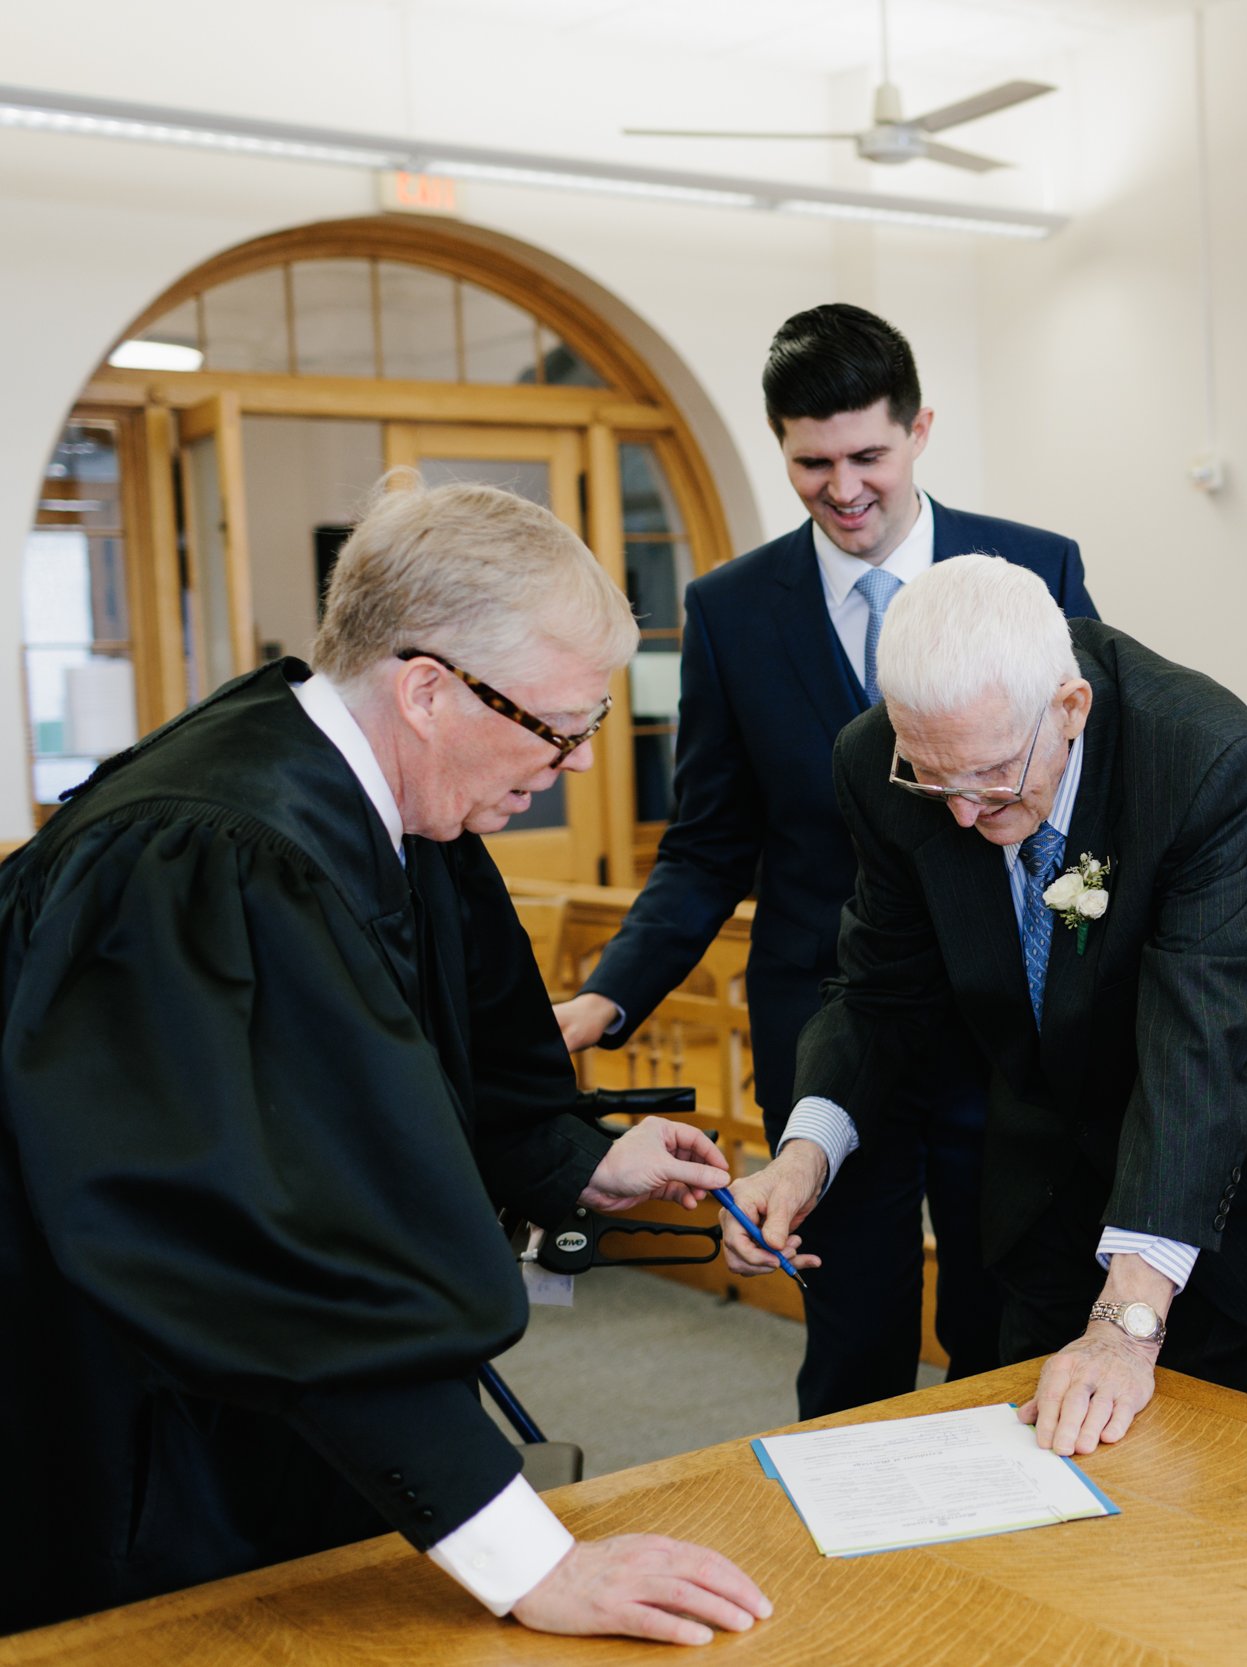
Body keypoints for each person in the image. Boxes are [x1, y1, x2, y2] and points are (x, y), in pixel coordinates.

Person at [0, 481, 770, 1644]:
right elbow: (276, 1247)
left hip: (310, 1411)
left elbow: (478, 1066)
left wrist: (581, 1162)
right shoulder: (206, 858)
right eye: (561, 726)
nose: (570, 764)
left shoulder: (405, 806)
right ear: (427, 689)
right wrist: (527, 1554)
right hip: (156, 1431)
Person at [552, 303, 1098, 1418]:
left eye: (867, 456)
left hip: (1002, 1017)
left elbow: (1083, 792)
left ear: (919, 431)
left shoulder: (1034, 567)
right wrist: (606, 999)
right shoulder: (731, 609)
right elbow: (706, 846)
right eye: (812, 462)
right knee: (852, 1323)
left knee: (1001, 1314)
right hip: (827, 1021)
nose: (843, 487)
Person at [718, 556, 1247, 1450]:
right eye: (935, 778)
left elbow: (1205, 1044)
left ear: (1071, 707)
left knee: (1246, 1482)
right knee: (1045, 1452)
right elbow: (879, 990)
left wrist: (1127, 1324)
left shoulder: (1198, 754)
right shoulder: (881, 764)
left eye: (993, 776)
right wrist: (804, 1159)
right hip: (1059, 1154)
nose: (961, 814)